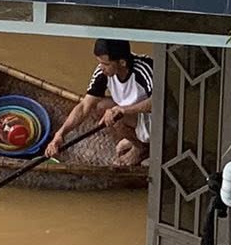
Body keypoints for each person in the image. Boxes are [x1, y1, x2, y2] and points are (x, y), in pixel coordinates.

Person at [47, 39, 154, 168]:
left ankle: (141, 149)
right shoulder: (103, 72)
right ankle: (135, 138)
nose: (101, 67)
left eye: (105, 63)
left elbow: (157, 102)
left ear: (122, 62)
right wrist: (60, 134)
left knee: (115, 116)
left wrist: (122, 110)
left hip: (156, 119)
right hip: (133, 115)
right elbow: (84, 106)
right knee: (100, 106)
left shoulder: (144, 68)